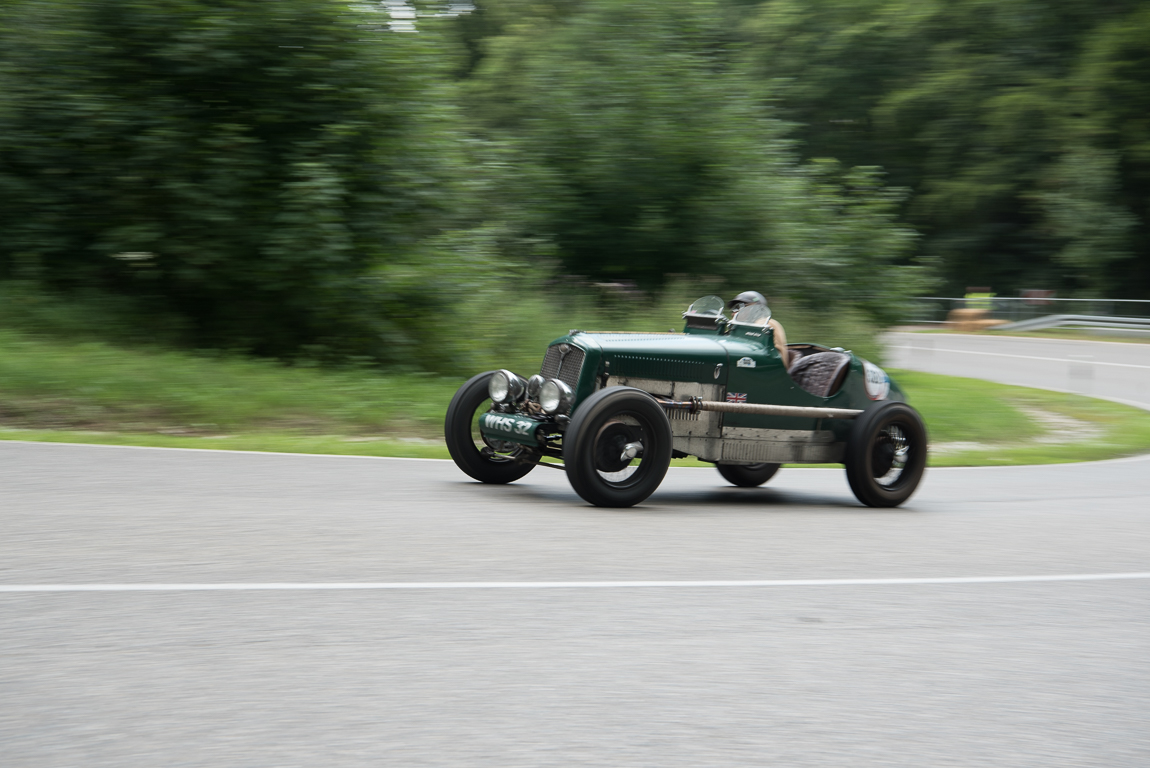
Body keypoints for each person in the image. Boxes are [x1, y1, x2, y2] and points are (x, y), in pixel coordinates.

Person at [727, 291, 789, 367]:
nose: (735, 313)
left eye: (741, 306)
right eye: (734, 309)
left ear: (757, 308)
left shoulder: (767, 324)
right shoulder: (736, 328)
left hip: (767, 370)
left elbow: (775, 356)